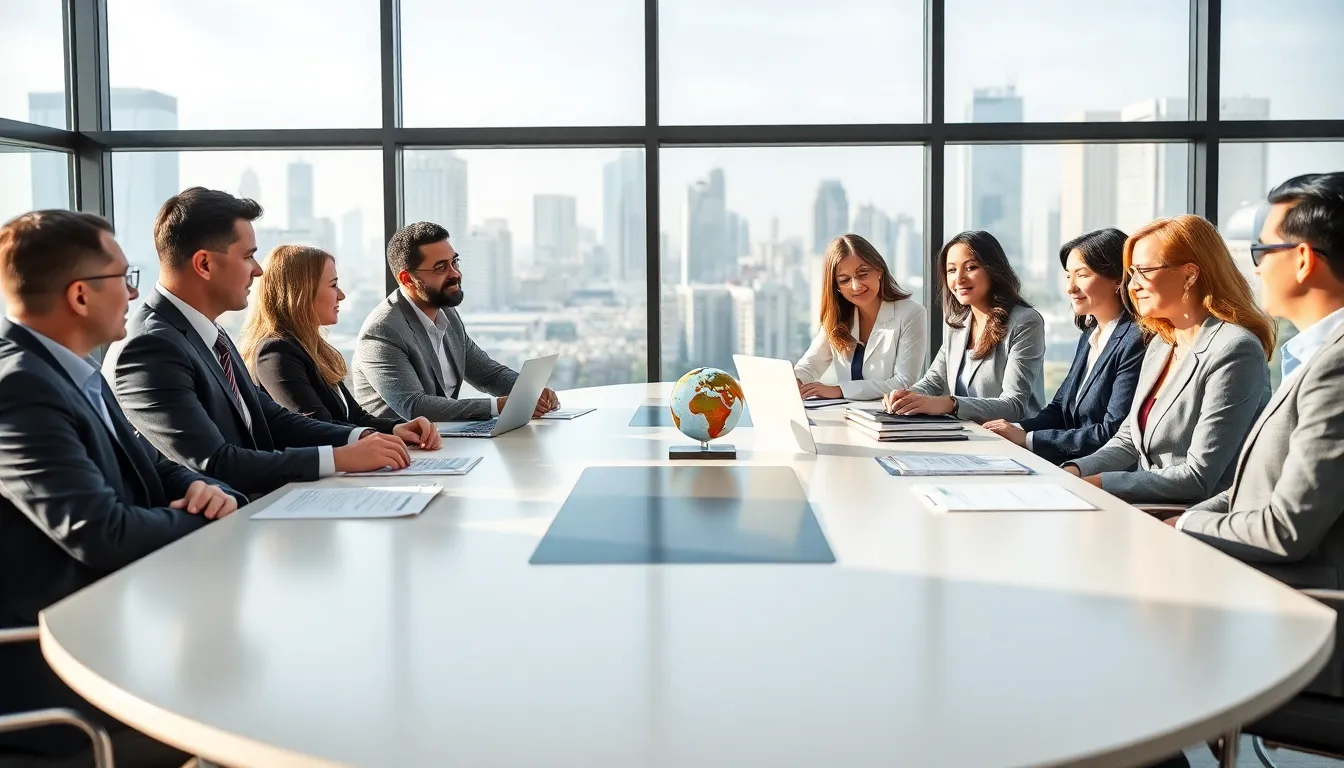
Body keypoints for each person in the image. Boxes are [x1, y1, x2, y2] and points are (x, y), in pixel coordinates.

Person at [0, 210, 242, 766]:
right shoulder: (20, 389)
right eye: (124, 278)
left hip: (118, 623)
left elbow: (152, 470)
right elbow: (100, 531)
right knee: (253, 694)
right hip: (65, 674)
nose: (134, 294)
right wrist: (204, 521)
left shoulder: (72, 369)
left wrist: (207, 489)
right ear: (81, 296)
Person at [104, 188, 411, 498]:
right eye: (248, 255)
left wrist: (362, 437)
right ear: (204, 265)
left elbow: (270, 417)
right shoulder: (150, 347)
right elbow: (214, 463)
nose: (258, 269)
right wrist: (338, 459)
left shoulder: (211, 334)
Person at [1171, 173, 1344, 600]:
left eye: (1261, 250)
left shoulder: (1336, 365)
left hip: (1298, 606)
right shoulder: (1312, 355)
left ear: (1303, 259)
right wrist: (1190, 518)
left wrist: (1185, 525)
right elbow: (1257, 485)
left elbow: (1286, 529)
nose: (1256, 267)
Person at [1063, 215, 1275, 505]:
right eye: (1130, 273)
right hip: (1146, 507)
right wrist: (1075, 470)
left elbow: (1198, 476)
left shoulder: (1235, 349)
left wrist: (1100, 483)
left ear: (1189, 275)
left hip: (1196, 518)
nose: (1132, 285)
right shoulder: (1162, 343)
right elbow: (1128, 441)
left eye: (1144, 271)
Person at [237, 244, 442, 450]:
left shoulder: (312, 348)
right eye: (333, 285)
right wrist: (373, 437)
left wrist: (397, 428)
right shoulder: (276, 353)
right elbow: (316, 427)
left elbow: (353, 416)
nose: (341, 295)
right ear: (302, 292)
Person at [353, 221, 558, 422]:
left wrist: (530, 391)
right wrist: (500, 407)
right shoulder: (382, 331)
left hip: (445, 441)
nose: (455, 274)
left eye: (454, 262)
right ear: (407, 279)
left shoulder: (447, 315)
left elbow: (488, 374)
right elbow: (415, 406)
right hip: (400, 449)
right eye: (441, 268)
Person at [984, 229, 1146, 464]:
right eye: (1068, 276)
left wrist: (1028, 439)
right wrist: (1012, 429)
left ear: (1118, 279)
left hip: (1101, 472)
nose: (1071, 287)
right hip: (1070, 463)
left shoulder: (1134, 339)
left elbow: (1111, 431)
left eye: (1082, 275)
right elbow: (1060, 408)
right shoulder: (1091, 334)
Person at [882, 230, 1045, 423]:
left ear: (993, 270)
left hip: (1009, 440)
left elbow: (1013, 405)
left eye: (970, 268)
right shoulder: (958, 324)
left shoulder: (1025, 321)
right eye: (951, 270)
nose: (959, 279)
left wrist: (950, 404)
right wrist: (904, 396)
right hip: (965, 434)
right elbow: (934, 382)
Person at [793, 233, 927, 401]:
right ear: (837, 287)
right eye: (844, 280)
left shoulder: (911, 313)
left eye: (863, 274)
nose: (856, 286)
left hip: (888, 418)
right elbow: (811, 364)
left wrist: (839, 390)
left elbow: (904, 382)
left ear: (879, 270)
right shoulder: (837, 317)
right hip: (845, 416)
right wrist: (794, 381)